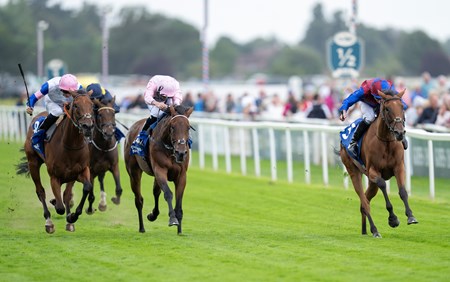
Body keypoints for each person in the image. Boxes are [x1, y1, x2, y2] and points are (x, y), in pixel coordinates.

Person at [338, 78, 407, 157]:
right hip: (367, 104)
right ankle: (353, 142)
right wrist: (343, 109)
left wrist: (401, 107)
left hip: (386, 103)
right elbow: (350, 99)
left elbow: (400, 102)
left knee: (395, 114)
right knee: (370, 117)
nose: (379, 101)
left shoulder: (390, 88)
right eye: (377, 98)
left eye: (381, 99)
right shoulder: (364, 89)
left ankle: (402, 136)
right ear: (371, 92)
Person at [26, 74, 82, 156]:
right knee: (58, 112)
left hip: (69, 104)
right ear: (60, 88)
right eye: (66, 91)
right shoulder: (49, 85)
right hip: (52, 101)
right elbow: (34, 97)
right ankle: (38, 135)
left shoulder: (79, 88)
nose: (68, 94)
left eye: (71, 92)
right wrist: (30, 106)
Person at [130, 75, 183, 156]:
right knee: (155, 114)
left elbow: (177, 98)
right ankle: (140, 139)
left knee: (177, 115)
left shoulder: (175, 84)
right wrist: (157, 103)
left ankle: (184, 139)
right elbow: (147, 97)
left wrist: (175, 106)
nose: (166, 97)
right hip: (154, 99)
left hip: (169, 99)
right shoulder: (154, 82)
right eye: (164, 95)